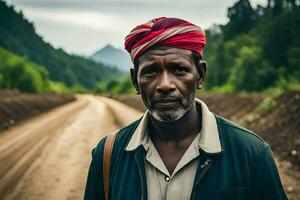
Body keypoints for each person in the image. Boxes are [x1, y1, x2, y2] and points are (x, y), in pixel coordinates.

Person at [84, 17, 287, 200]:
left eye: (179, 69)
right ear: (135, 82)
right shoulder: (108, 156)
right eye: (151, 72)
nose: (165, 85)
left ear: (200, 75)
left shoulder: (251, 153)